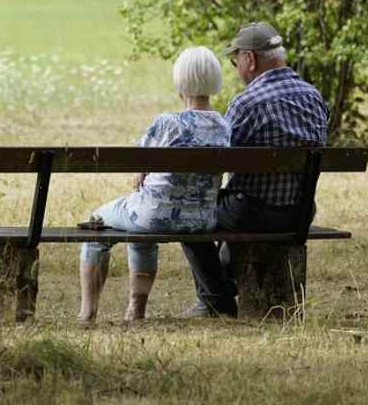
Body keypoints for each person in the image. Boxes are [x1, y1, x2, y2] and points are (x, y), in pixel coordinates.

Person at [181, 21, 330, 318]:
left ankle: (215, 299)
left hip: (253, 212)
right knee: (229, 206)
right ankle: (221, 290)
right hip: (300, 213)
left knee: (188, 214)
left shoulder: (247, 103)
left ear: (250, 59)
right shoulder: (314, 97)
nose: (237, 69)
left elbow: (216, 160)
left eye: (236, 61)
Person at [78, 46, 231, 322]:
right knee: (139, 231)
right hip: (201, 220)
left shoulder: (167, 123)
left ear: (180, 81)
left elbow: (138, 168)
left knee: (96, 222)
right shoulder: (224, 125)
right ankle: (135, 310)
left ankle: (87, 312)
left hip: (153, 216)